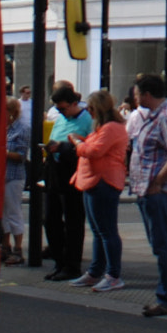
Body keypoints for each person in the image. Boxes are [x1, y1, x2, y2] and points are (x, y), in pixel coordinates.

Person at [129, 73, 167, 317]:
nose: (134, 99)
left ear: (146, 94)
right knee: (160, 244)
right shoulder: (156, 116)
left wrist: (158, 181)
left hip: (159, 192)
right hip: (149, 190)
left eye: (136, 94)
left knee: (163, 244)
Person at [74, 89, 129, 292]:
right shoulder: (102, 128)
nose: (88, 111)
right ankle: (96, 271)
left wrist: (77, 144)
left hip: (104, 181)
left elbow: (95, 151)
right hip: (92, 181)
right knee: (98, 231)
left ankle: (113, 274)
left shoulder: (112, 128)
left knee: (107, 231)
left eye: (90, 108)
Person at [44, 82, 90, 282]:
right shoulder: (61, 119)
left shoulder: (87, 120)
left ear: (74, 103)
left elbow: (88, 146)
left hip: (73, 172)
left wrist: (63, 148)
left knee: (72, 220)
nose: (61, 113)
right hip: (55, 171)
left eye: (63, 108)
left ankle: (72, 265)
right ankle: (59, 261)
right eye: (58, 109)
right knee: (50, 219)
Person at [1, 96, 28, 264]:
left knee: (13, 212)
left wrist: (2, 153)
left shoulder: (21, 129)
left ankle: (18, 249)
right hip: (0, 176)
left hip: (13, 176)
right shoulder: (2, 128)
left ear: (11, 112)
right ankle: (5, 246)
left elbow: (21, 155)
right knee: (2, 213)